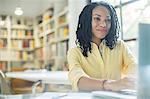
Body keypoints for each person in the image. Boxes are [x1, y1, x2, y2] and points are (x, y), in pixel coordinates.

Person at [67, 1, 137, 92]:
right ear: (87, 21)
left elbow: (134, 67)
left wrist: (133, 79)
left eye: (108, 20)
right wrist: (110, 84)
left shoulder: (120, 46)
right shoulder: (75, 52)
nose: (104, 25)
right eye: (97, 18)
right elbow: (78, 81)